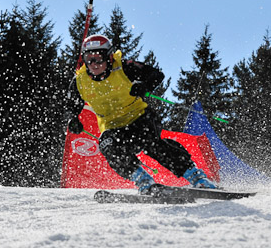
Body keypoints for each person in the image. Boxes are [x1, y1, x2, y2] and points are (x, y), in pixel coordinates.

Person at [66, 34, 217, 193]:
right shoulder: (80, 82)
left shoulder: (124, 67)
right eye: (89, 59)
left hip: (141, 117)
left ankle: (197, 177)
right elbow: (71, 105)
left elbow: (156, 75)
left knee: (150, 144)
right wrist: (73, 118)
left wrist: (144, 85)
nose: (94, 64)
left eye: (99, 58)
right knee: (107, 145)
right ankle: (143, 181)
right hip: (113, 127)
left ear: (109, 57)